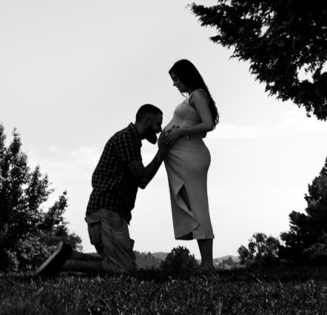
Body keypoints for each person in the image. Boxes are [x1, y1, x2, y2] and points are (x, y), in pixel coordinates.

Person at [34, 104, 165, 276]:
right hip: (108, 213)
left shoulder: (129, 140)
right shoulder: (126, 139)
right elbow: (142, 178)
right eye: (158, 124)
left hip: (106, 213)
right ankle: (66, 263)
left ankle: (68, 255)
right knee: (121, 270)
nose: (160, 130)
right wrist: (162, 152)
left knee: (127, 268)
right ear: (148, 121)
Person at [159, 59, 218, 271]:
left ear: (185, 75)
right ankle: (206, 262)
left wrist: (178, 132)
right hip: (185, 157)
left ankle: (208, 264)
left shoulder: (198, 95)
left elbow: (208, 125)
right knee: (193, 206)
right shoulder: (191, 99)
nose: (174, 84)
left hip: (191, 158)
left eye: (175, 79)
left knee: (198, 207)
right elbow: (199, 129)